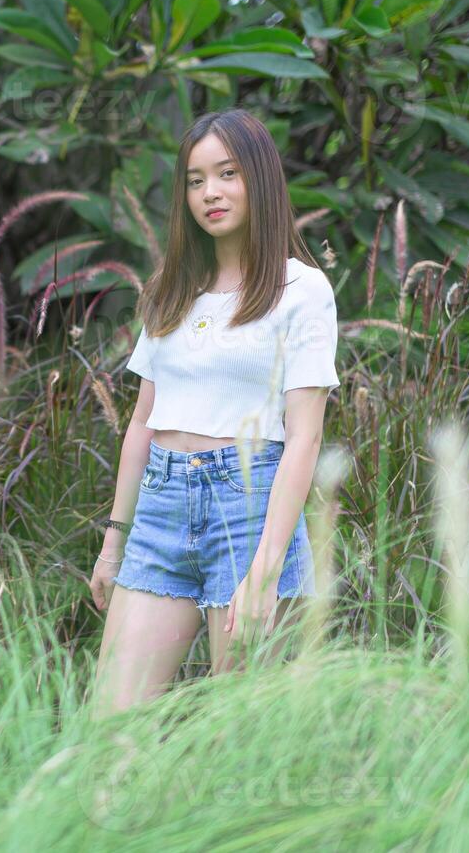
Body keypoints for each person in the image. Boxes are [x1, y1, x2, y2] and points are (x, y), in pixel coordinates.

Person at [90, 108, 340, 717]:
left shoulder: (300, 289)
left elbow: (304, 438)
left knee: (240, 734)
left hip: (248, 511)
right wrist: (115, 540)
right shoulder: (171, 289)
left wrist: (266, 568)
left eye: (227, 173)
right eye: (196, 180)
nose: (211, 193)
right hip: (160, 511)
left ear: (259, 178)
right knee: (108, 724)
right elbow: (142, 424)